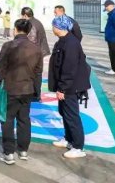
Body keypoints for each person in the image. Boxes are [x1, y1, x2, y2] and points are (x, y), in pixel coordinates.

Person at [0, 19, 43, 165]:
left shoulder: (8, 46)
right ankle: (23, 150)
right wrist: (35, 89)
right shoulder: (36, 48)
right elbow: (38, 71)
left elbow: (1, 67)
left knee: (8, 119)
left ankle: (9, 153)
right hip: (27, 88)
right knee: (24, 119)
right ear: (28, 31)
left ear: (15, 29)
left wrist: (2, 80)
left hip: (11, 88)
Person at [49, 15, 91, 159]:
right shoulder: (63, 40)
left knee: (72, 115)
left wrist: (62, 89)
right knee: (64, 113)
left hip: (70, 87)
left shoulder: (71, 43)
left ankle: (78, 146)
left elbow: (69, 69)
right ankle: (68, 139)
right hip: (64, 86)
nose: (52, 28)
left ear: (58, 27)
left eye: (53, 25)